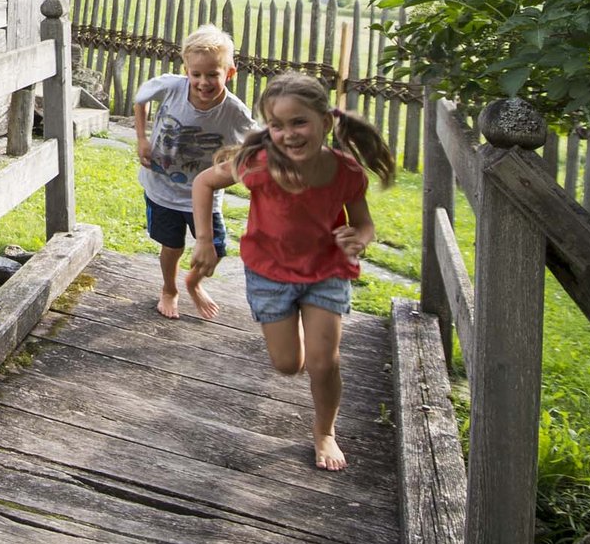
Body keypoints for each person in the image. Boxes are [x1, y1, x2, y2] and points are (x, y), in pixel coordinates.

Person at [185, 71, 395, 470]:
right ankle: (299, 331)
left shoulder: (346, 171)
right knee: (288, 365)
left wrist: (360, 238)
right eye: (277, 125)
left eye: (299, 122)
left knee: (323, 361)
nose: (289, 134)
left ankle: (325, 432)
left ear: (325, 122)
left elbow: (363, 222)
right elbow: (203, 182)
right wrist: (204, 240)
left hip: (326, 272)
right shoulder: (259, 166)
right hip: (270, 274)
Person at [131, 24, 254, 320]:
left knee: (215, 250)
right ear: (185, 69)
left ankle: (194, 283)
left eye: (213, 74)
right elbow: (140, 99)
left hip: (204, 196)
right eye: (196, 74)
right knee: (171, 246)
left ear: (230, 73)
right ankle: (170, 288)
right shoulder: (171, 87)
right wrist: (142, 138)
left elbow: (255, 141)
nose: (203, 81)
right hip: (161, 188)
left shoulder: (234, 112)